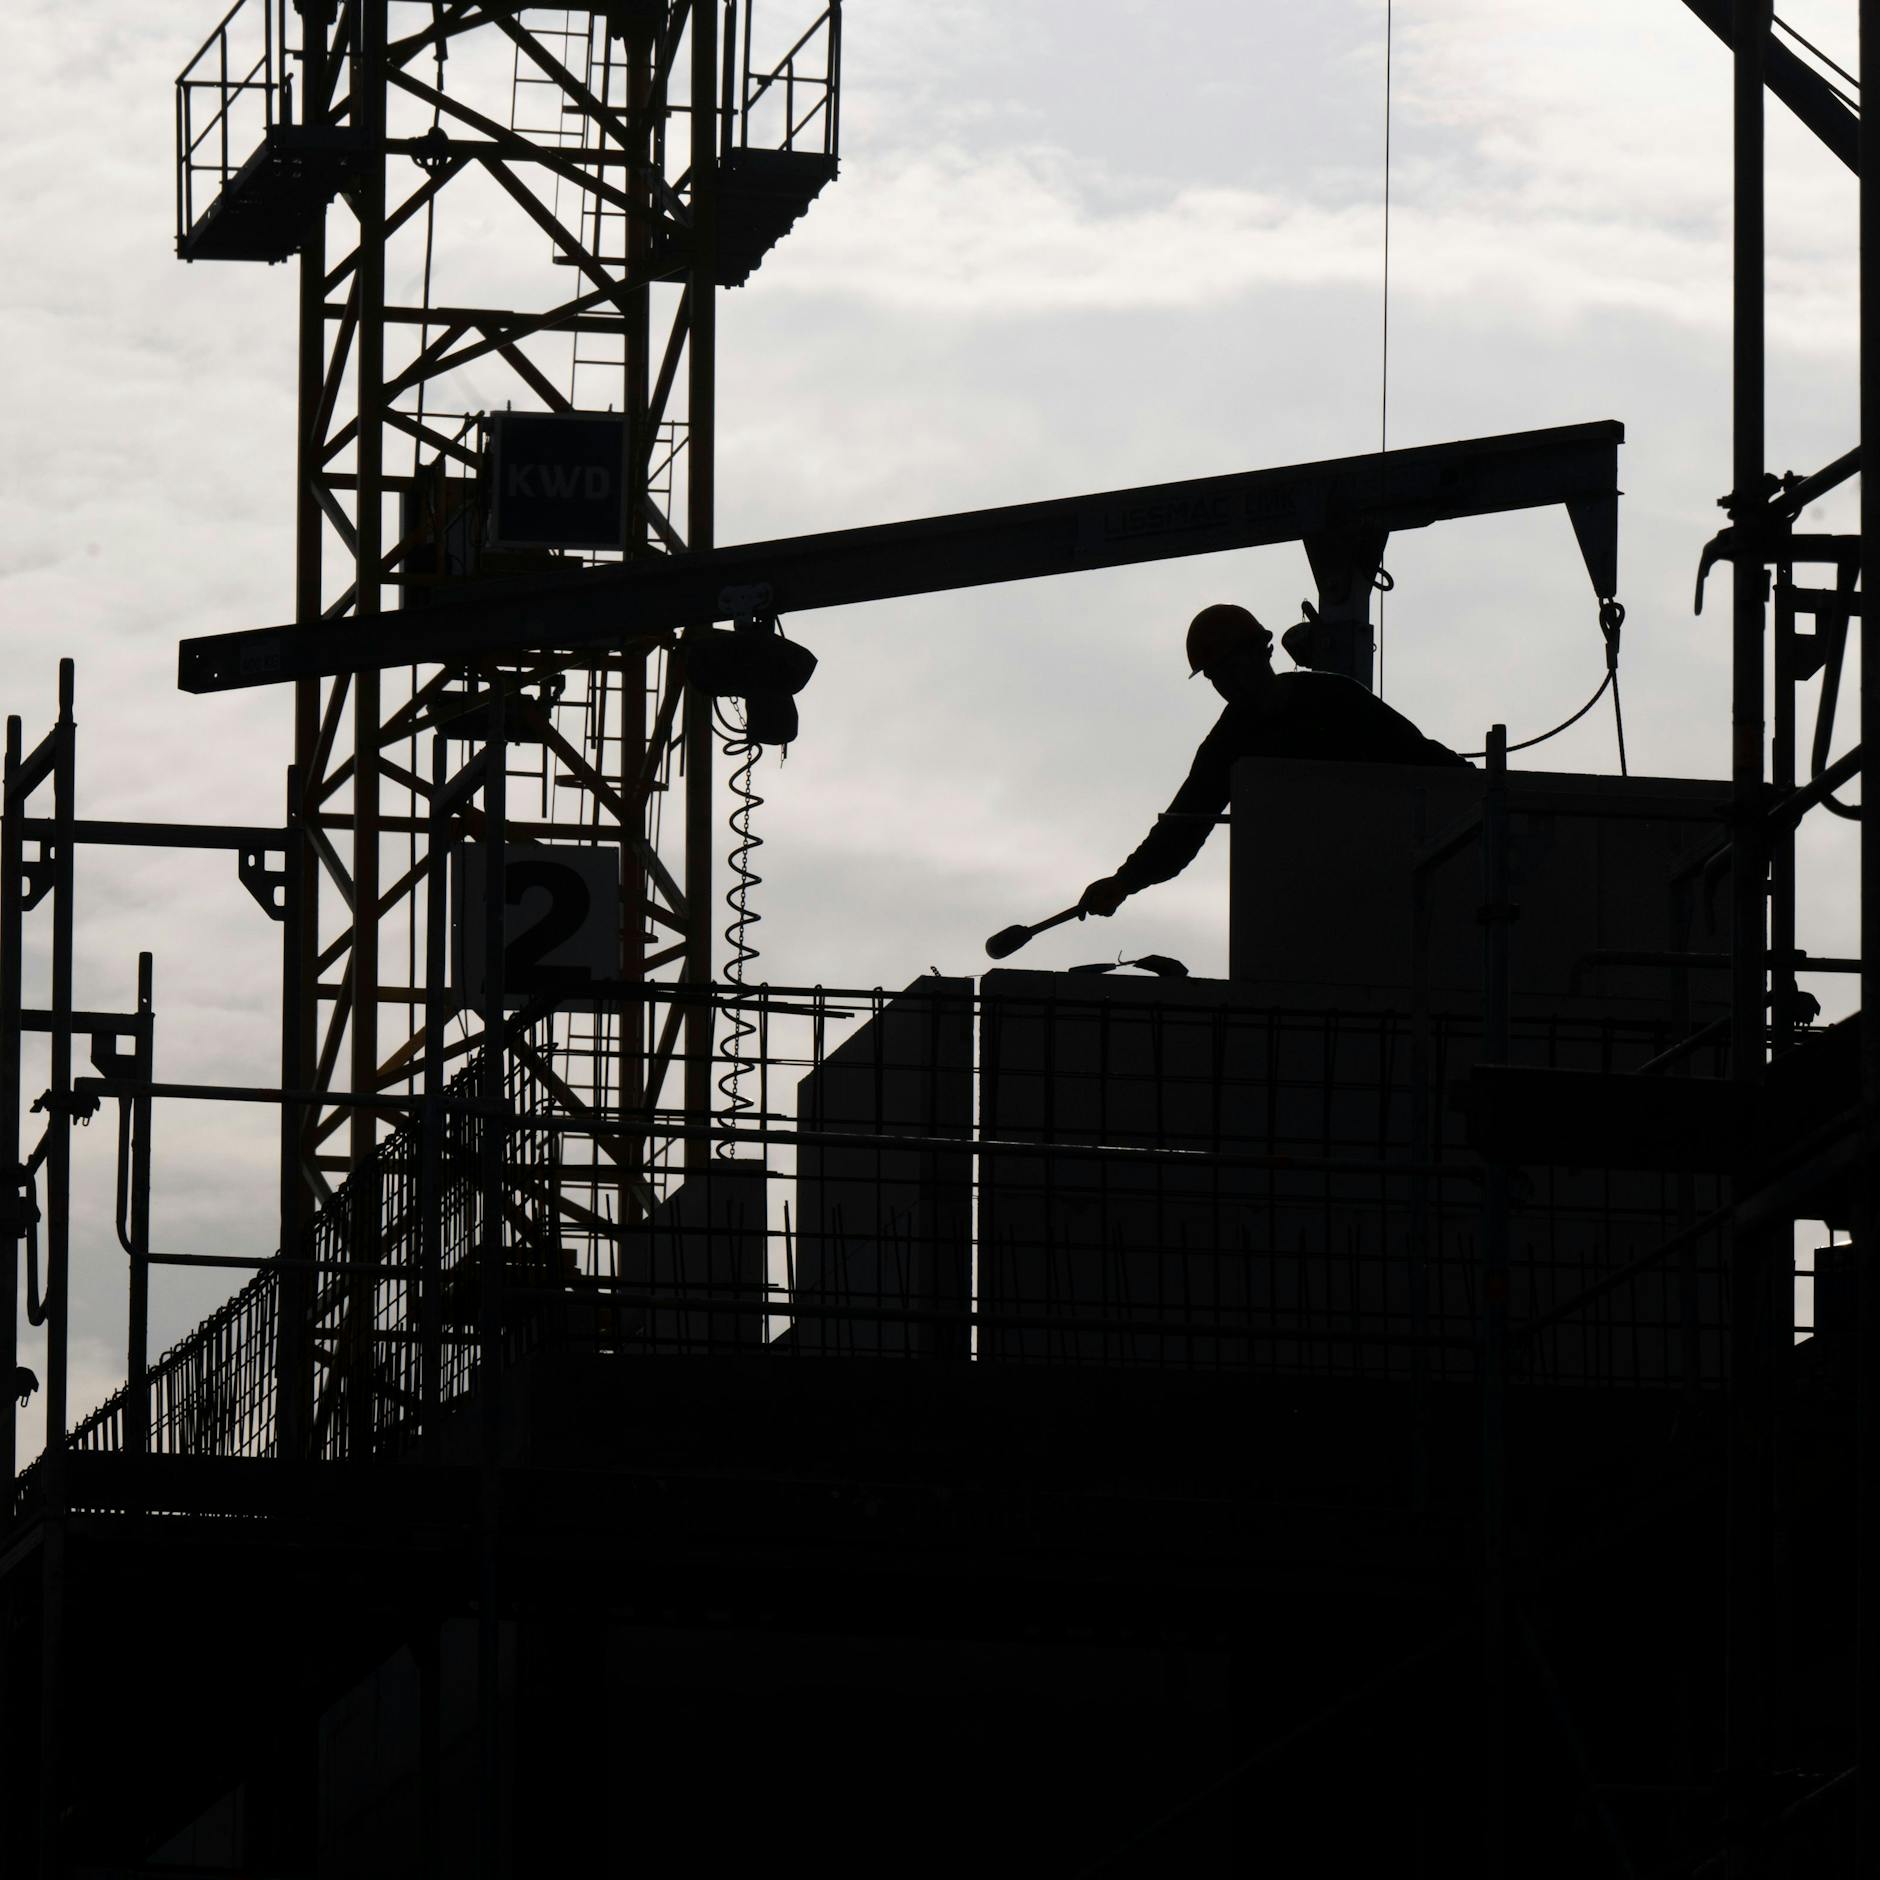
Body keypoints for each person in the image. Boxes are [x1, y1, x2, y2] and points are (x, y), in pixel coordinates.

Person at [1079, 603, 1471, 917]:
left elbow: (1420, 757)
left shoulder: (1335, 700)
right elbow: (1183, 828)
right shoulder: (1228, 744)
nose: (1227, 684)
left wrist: (1482, 793)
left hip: (1380, 874)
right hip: (1300, 896)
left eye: (1231, 668)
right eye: (1216, 677)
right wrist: (1124, 882)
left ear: (1261, 653)